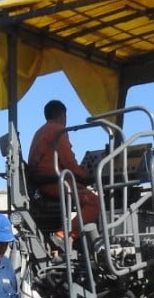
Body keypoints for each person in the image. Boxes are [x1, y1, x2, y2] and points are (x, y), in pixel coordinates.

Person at [27, 99, 101, 232]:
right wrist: (86, 176)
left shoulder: (40, 131)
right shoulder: (58, 130)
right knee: (95, 202)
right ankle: (65, 235)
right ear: (62, 115)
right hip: (55, 183)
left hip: (42, 184)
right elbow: (69, 162)